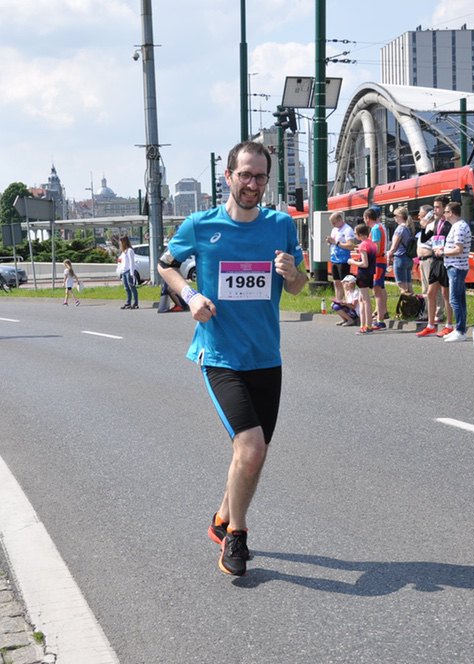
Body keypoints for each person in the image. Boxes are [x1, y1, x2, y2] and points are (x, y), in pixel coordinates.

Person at [156, 140, 308, 577]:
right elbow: (166, 265)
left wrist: (292, 273)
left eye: (260, 177)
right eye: (245, 175)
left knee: (252, 454)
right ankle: (236, 536)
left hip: (266, 356)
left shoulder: (281, 225)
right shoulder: (201, 225)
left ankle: (222, 518)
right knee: (251, 446)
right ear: (228, 177)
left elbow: (298, 286)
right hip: (220, 355)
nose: (252, 184)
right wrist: (190, 296)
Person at [417, 197, 454, 337]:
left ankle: (449, 324)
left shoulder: (449, 224)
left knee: (445, 294)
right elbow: (424, 238)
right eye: (434, 207)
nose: (435, 210)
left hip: (445, 260)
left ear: (444, 208)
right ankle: (430, 325)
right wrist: (424, 227)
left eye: (438, 207)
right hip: (435, 260)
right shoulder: (436, 223)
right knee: (430, 292)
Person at [435, 201, 472, 342]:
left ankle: (460, 330)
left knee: (455, 299)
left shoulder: (459, 227)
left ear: (451, 213)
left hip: (456, 267)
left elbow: (458, 249)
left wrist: (442, 252)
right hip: (456, 266)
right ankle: (459, 328)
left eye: (445, 212)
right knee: (459, 299)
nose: (444, 214)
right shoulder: (457, 226)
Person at [349, 222, 377, 335]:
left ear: (360, 235)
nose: (355, 235)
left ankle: (368, 325)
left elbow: (364, 263)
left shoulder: (363, 245)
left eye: (355, 233)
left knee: (365, 300)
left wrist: (353, 262)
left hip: (363, 274)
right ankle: (363, 324)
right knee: (361, 299)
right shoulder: (372, 244)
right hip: (370, 273)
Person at [364, 207, 388, 329]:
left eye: (364, 218)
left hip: (378, 262)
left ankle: (380, 319)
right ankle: (381, 315)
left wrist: (366, 252)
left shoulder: (375, 229)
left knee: (377, 290)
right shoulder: (378, 227)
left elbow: (377, 249)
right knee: (379, 289)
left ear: (367, 218)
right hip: (380, 261)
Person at [386, 207, 415, 295]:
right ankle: (414, 303)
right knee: (409, 287)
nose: (394, 217)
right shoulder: (409, 228)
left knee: (402, 288)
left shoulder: (400, 229)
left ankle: (406, 303)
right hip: (408, 259)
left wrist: (389, 255)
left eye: (395, 215)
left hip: (400, 258)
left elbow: (394, 247)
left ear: (400, 216)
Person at [327, 211, 355, 299]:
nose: (333, 225)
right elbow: (333, 242)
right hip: (334, 258)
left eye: (334, 223)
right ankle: (338, 301)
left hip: (343, 260)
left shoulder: (347, 229)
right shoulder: (334, 229)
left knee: (345, 283)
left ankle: (347, 301)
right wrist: (330, 242)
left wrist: (336, 243)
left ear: (340, 220)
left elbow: (351, 245)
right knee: (336, 282)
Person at [116, 236, 138, 309]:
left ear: (124, 242)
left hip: (129, 271)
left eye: (121, 242)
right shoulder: (123, 252)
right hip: (124, 272)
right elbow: (121, 262)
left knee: (132, 287)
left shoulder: (130, 251)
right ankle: (128, 303)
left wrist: (132, 274)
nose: (120, 244)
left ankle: (135, 303)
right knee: (126, 288)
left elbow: (132, 263)